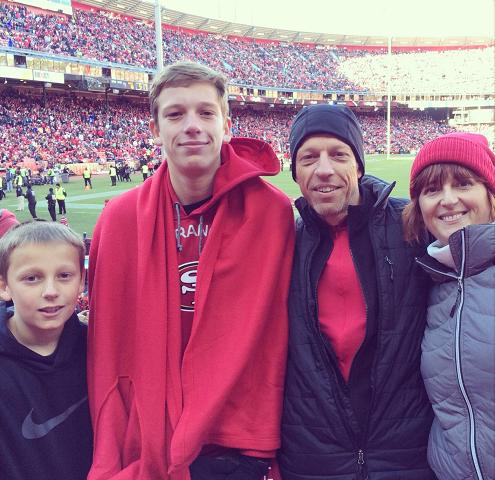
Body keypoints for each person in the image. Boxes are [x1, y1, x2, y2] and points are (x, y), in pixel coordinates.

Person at [87, 60, 294, 479]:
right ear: (154, 129)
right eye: (175, 114)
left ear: (227, 125)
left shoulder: (273, 213)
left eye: (205, 112)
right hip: (149, 433)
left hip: (239, 437)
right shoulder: (119, 218)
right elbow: (107, 340)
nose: (192, 125)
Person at [277, 104, 434, 479]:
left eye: (339, 155)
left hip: (405, 454)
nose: (325, 169)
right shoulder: (281, 245)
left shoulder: (412, 227)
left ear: (359, 166)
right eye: (309, 157)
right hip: (314, 459)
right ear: (295, 172)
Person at [402, 132, 495, 480]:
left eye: (463, 184)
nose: (448, 200)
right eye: (432, 190)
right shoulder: (433, 282)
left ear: (489, 193)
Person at [0, 220, 93, 480]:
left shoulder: (98, 349)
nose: (51, 291)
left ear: (81, 281)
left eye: (64, 276)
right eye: (32, 278)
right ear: (4, 286)